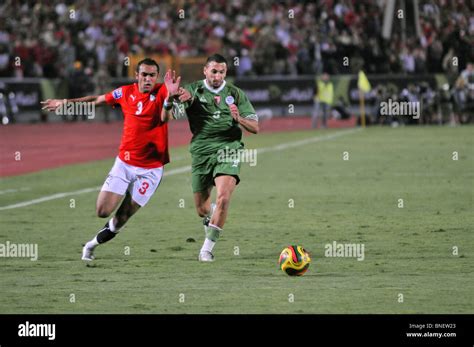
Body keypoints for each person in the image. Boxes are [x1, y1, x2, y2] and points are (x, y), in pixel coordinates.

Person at [41, 58, 181, 261]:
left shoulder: (163, 92)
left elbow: (165, 118)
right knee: (102, 210)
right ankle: (97, 234)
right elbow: (96, 101)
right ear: (137, 75)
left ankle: (90, 245)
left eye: (152, 75)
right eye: (144, 74)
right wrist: (65, 104)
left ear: (156, 77)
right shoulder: (124, 92)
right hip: (124, 164)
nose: (148, 79)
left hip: (150, 170)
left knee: (122, 218)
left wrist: (170, 99)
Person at [167, 54, 259, 262]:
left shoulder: (235, 93)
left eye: (222, 72)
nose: (217, 76)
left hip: (229, 149)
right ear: (205, 71)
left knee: (224, 197)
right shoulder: (192, 91)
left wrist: (239, 119)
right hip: (201, 152)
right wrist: (171, 99)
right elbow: (172, 116)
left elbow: (255, 127)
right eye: (214, 71)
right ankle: (212, 216)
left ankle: (206, 249)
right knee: (201, 209)